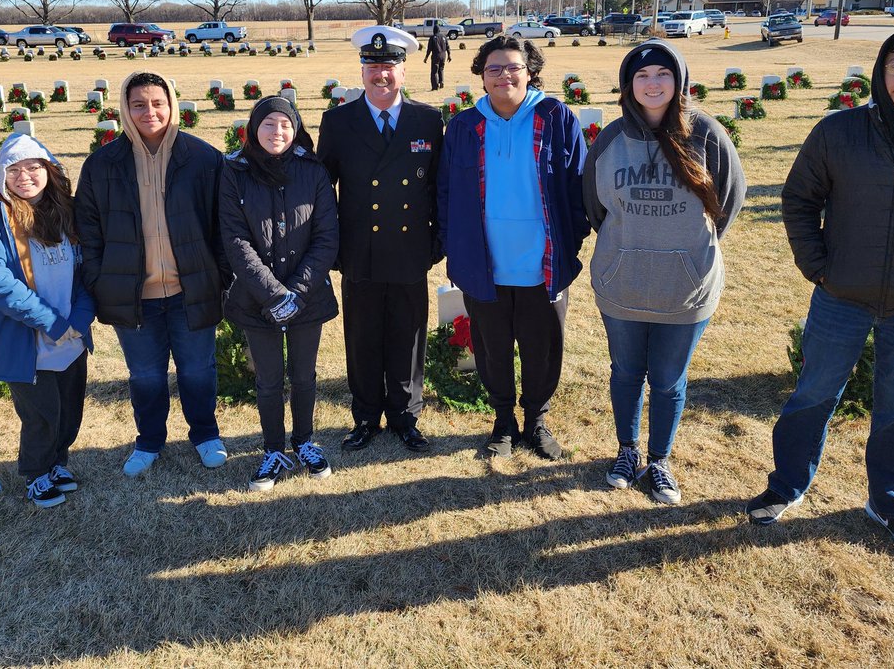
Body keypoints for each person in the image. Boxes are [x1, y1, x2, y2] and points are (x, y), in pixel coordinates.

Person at [746, 26, 894, 563]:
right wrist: (817, 266)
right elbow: (799, 198)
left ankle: (889, 503)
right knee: (813, 395)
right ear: (881, 69)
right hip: (841, 295)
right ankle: (787, 484)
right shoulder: (839, 131)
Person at [583, 41, 745, 504]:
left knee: (669, 379)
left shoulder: (707, 134)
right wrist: (627, 249)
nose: (652, 84)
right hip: (623, 284)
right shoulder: (610, 139)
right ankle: (627, 451)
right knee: (626, 372)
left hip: (685, 288)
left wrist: (687, 252)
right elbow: (594, 207)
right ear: (628, 85)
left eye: (662, 74)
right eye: (642, 75)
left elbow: (728, 201)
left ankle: (659, 460)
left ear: (679, 81)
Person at [438, 35, 589, 460]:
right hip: (484, 263)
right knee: (492, 349)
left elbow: (578, 185)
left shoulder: (556, 117)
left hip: (542, 263)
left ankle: (536, 421)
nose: (503, 75)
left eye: (512, 67)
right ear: (482, 76)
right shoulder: (464, 127)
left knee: (543, 349)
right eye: (494, 69)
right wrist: (455, 247)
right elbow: (445, 192)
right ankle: (503, 421)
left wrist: (570, 242)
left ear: (530, 72)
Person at [74, 72, 229, 477]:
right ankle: (149, 441)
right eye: (138, 105)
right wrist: (100, 280)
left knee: (197, 370)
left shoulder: (203, 158)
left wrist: (220, 276)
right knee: (145, 375)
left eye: (158, 103)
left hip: (190, 288)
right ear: (125, 109)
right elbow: (88, 230)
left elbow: (223, 225)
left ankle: (205, 434)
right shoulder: (102, 164)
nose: (149, 112)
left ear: (171, 104)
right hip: (134, 293)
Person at [317, 25, 443, 453]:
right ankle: (367, 416)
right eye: (372, 66)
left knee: (408, 336)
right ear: (361, 71)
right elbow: (322, 190)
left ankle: (406, 416)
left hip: (410, 250)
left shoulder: (428, 120)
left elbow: (439, 188)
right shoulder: (338, 122)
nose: (381, 74)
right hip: (360, 251)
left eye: (389, 65)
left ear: (404, 71)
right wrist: (332, 247)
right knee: (363, 336)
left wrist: (436, 243)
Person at [0, 134, 96, 508]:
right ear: (0, 174)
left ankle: (57, 463)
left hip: (70, 333)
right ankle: (37, 474)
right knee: (40, 413)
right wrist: (52, 322)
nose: (25, 176)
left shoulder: (66, 211)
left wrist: (80, 319)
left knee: (69, 408)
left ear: (49, 170)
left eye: (34, 167)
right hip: (24, 338)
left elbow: (87, 272)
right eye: (14, 169)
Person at [221, 97, 340, 490]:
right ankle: (273, 449)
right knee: (269, 380)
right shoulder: (234, 171)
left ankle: (304, 441)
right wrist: (274, 296)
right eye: (268, 124)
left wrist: (297, 293)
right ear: (254, 128)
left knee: (304, 376)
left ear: (296, 129)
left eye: (285, 124)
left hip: (308, 295)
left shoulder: (313, 171)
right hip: (257, 298)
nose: (277, 132)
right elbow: (236, 241)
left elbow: (326, 236)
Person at [424, 23, 451, 90]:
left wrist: (426, 57)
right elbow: (448, 47)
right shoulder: (444, 37)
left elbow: (429, 49)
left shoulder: (432, 37)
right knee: (441, 69)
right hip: (443, 56)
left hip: (436, 56)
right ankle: (441, 82)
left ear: (434, 30)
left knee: (434, 71)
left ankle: (435, 86)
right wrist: (449, 55)